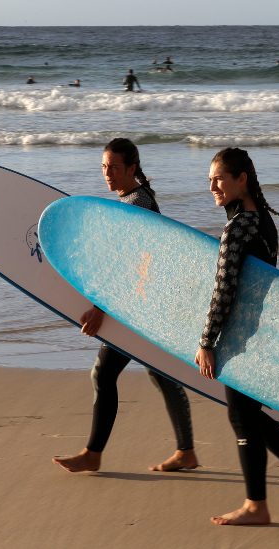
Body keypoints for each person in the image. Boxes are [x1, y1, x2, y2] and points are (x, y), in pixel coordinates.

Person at [195, 147, 279, 526]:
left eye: (219, 179)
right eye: (209, 179)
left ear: (242, 180)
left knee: (242, 415)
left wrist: (206, 341)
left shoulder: (238, 227)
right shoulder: (263, 221)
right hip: (261, 330)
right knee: (248, 414)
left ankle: (258, 505)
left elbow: (224, 289)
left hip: (241, 334)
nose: (212, 186)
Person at [52, 138, 199, 474]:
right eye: (104, 166)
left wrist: (101, 309)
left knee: (104, 373)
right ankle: (186, 451)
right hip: (144, 306)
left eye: (114, 167)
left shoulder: (138, 205)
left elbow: (135, 267)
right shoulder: (134, 200)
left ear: (131, 169)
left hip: (138, 309)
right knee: (160, 374)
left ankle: (93, 454)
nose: (107, 173)